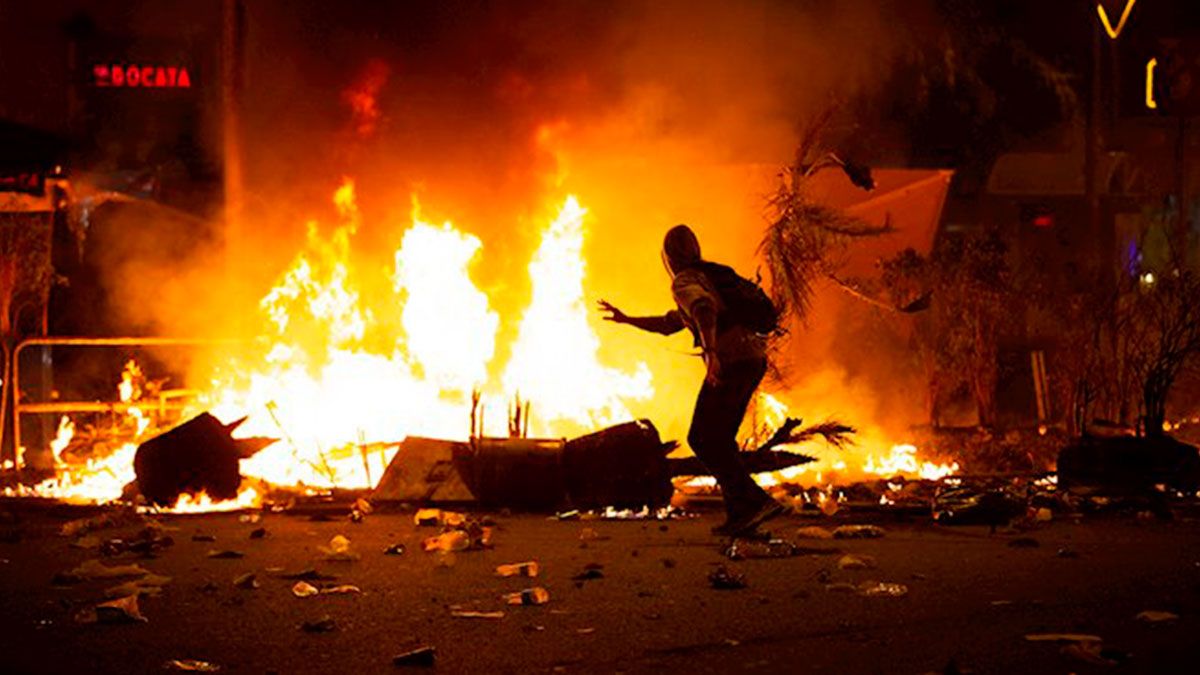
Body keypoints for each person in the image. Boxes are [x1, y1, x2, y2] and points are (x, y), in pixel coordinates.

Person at [598, 224, 785, 537]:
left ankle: (754, 501)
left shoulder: (685, 281)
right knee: (719, 438)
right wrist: (627, 319)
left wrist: (712, 354)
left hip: (733, 361)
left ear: (669, 258)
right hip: (752, 359)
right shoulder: (708, 276)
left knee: (701, 436)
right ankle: (741, 512)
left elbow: (703, 309)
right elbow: (670, 324)